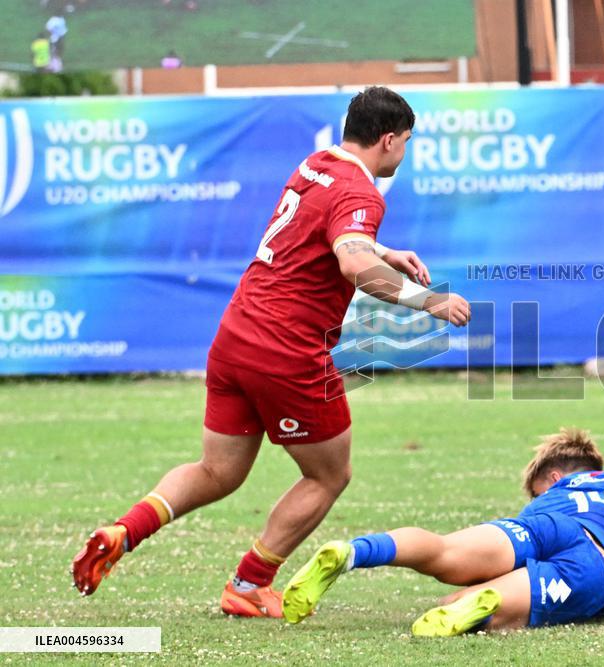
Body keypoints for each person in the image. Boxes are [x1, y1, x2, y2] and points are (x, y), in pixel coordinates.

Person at [72, 86, 471, 617]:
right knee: (329, 475)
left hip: (235, 336)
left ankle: (126, 530)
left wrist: (383, 250)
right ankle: (249, 583)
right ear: (389, 140)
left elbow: (325, 232)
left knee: (218, 471)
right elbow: (352, 263)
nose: (405, 151)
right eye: (407, 141)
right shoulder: (364, 193)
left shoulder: (316, 164)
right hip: (287, 351)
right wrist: (430, 301)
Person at [280, 428, 604, 635]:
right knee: (485, 606)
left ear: (555, 479)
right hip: (595, 564)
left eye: (536, 491)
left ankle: (354, 551)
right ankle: (488, 608)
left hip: (543, 528)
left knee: (443, 551)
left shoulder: (558, 495)